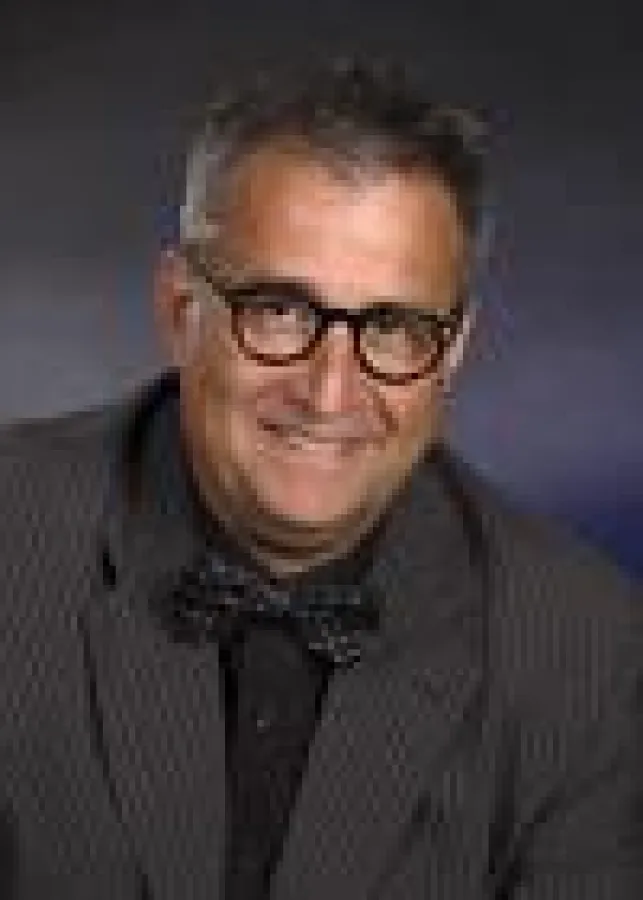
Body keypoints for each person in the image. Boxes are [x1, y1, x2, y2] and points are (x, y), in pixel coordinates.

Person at [0, 59, 641, 900]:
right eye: (280, 311)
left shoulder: (579, 650)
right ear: (181, 311)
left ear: (450, 351)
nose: (329, 393)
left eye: (394, 327)